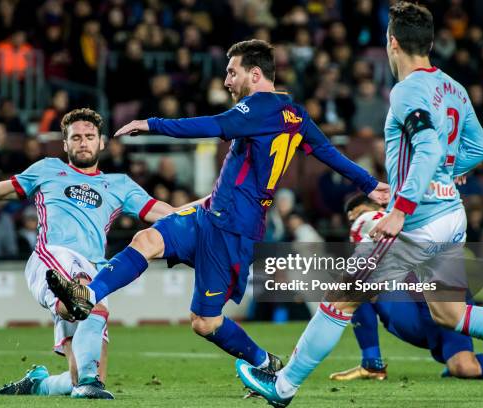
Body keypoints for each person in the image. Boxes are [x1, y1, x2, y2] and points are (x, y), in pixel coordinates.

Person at [45, 40, 388, 379]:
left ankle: (266, 363)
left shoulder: (258, 108)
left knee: (204, 322)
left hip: (233, 229)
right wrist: (371, 185)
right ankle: (86, 295)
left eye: (231, 72)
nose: (226, 81)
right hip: (212, 215)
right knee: (146, 240)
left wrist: (152, 123)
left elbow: (211, 126)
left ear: (255, 74)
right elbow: (329, 153)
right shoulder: (294, 113)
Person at [236, 4, 483, 406]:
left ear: (391, 42)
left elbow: (428, 144)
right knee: (451, 315)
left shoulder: (407, 89)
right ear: (429, 43)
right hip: (451, 216)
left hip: (418, 221)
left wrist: (400, 210)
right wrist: (447, 170)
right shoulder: (453, 88)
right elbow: (479, 147)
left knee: (341, 297)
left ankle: (283, 385)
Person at [0, 108, 180, 399]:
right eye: (76, 138)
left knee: (84, 371)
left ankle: (40, 383)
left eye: (89, 137)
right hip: (52, 255)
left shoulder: (120, 185)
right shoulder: (48, 169)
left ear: (102, 142)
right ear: (65, 144)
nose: (83, 142)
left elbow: (170, 214)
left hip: (96, 268)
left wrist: (210, 213)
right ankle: (87, 373)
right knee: (87, 301)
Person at [330, 194, 483, 381]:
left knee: (464, 367)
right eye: (354, 221)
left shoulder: (419, 224)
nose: (360, 223)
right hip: (412, 317)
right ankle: (372, 365)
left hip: (444, 305)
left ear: (383, 208)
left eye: (363, 214)